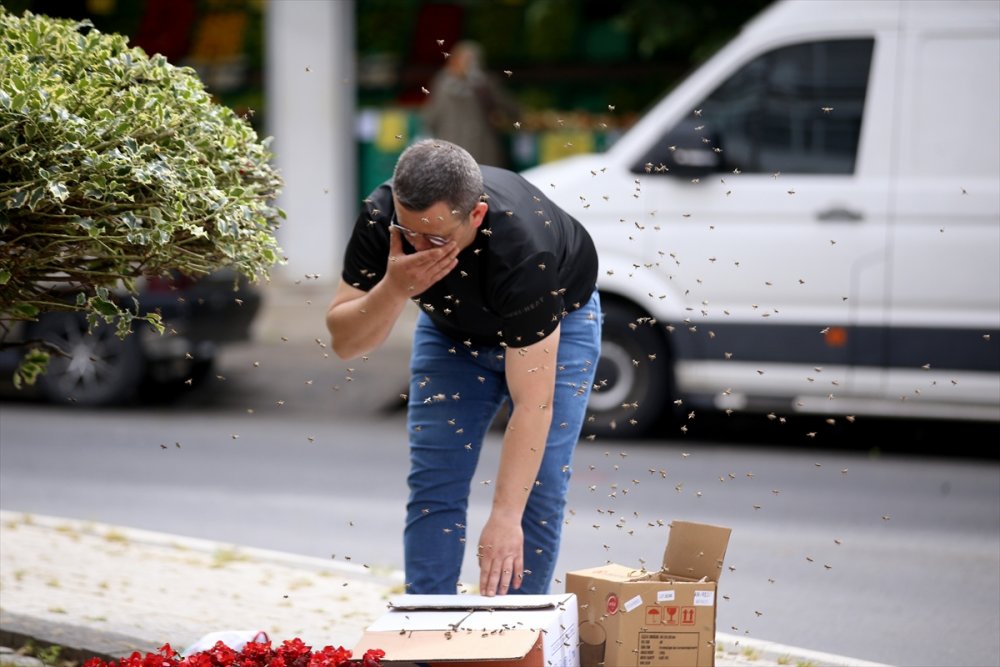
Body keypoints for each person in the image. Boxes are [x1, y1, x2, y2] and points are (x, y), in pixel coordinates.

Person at [325, 139, 601, 597]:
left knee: (537, 491)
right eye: (407, 231)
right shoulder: (380, 218)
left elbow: (533, 407)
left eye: (435, 239)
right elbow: (345, 342)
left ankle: (510, 645)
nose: (417, 248)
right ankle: (428, 639)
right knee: (436, 481)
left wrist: (504, 516)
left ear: (475, 215)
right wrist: (394, 287)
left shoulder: (522, 248)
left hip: (558, 324)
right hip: (451, 333)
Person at [423, 41, 519, 168]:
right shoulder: (484, 82)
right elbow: (510, 109)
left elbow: (430, 118)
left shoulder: (442, 82)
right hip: (480, 152)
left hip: (452, 152)